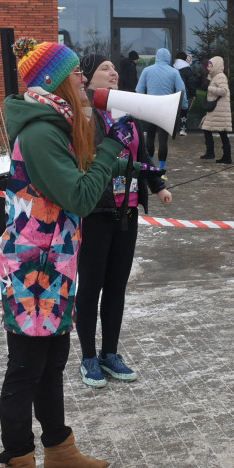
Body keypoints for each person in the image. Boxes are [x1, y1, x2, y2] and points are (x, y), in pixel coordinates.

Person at [0, 37, 148, 468]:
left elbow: (76, 178)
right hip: (31, 270)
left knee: (53, 360)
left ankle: (59, 448)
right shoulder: (40, 132)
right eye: (76, 72)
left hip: (53, 261)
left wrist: (117, 155)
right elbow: (81, 196)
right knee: (25, 369)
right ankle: (20, 467)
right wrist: (107, 149)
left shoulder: (56, 123)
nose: (84, 77)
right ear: (55, 82)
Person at [75, 53, 172, 389]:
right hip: (96, 212)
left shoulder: (127, 114)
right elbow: (88, 156)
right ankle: (88, 357)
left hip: (126, 213)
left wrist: (157, 186)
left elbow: (140, 155)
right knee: (90, 288)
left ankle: (110, 354)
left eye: (114, 68)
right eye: (105, 68)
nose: (114, 71)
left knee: (116, 287)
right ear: (87, 77)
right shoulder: (82, 113)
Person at [135, 47, 185, 169]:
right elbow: (181, 91)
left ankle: (149, 165)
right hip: (166, 109)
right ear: (168, 58)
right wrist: (184, 106)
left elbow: (138, 90)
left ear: (157, 57)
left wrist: (139, 106)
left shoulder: (147, 70)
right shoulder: (174, 72)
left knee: (150, 137)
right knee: (163, 139)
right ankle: (161, 167)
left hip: (150, 108)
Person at [200, 55, 233, 163]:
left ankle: (225, 156)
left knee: (221, 131)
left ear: (217, 66)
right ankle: (213, 153)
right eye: (208, 66)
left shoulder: (220, 76)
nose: (208, 68)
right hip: (216, 109)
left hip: (218, 109)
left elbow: (224, 91)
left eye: (211, 66)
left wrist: (209, 88)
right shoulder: (214, 76)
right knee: (208, 129)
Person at [173, 51, 197, 136]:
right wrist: (193, 94)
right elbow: (191, 82)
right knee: (184, 111)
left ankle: (172, 129)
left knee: (173, 111)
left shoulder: (173, 68)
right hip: (184, 93)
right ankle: (182, 129)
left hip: (173, 93)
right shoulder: (187, 69)